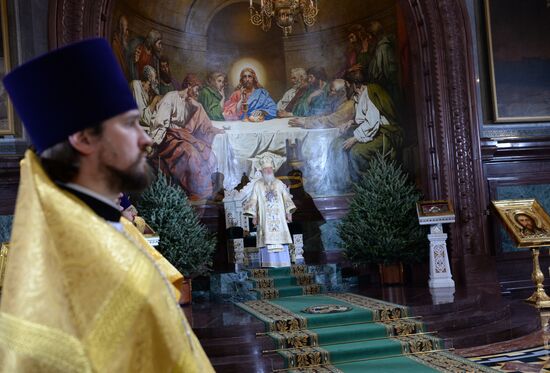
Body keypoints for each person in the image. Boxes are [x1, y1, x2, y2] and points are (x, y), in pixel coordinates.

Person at [0, 38, 213, 371]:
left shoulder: (99, 235)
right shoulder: (77, 273)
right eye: (129, 124)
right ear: (84, 138)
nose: (145, 138)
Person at [151, 73, 225, 201]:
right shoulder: (171, 97)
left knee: (207, 154)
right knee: (191, 153)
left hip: (182, 136)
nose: (197, 93)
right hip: (168, 138)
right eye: (196, 89)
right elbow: (160, 122)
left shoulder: (191, 103)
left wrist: (212, 129)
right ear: (189, 86)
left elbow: (201, 124)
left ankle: (204, 189)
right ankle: (200, 191)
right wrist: (154, 143)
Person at [243, 155, 296, 268]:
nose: (268, 171)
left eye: (270, 169)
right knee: (267, 238)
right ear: (262, 170)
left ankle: (284, 263)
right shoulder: (258, 185)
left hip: (279, 219)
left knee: (281, 238)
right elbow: (253, 200)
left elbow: (286, 198)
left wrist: (288, 212)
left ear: (273, 170)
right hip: (264, 219)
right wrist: (254, 216)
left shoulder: (279, 183)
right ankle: (269, 264)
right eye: (266, 169)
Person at [130, 64, 161, 129]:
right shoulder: (136, 85)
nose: (156, 81)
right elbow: (142, 118)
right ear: (149, 77)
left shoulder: (149, 92)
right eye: (154, 78)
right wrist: (155, 100)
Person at [111, 15, 130, 79]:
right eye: (126, 30)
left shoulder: (121, 46)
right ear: (121, 30)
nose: (127, 33)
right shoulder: (115, 45)